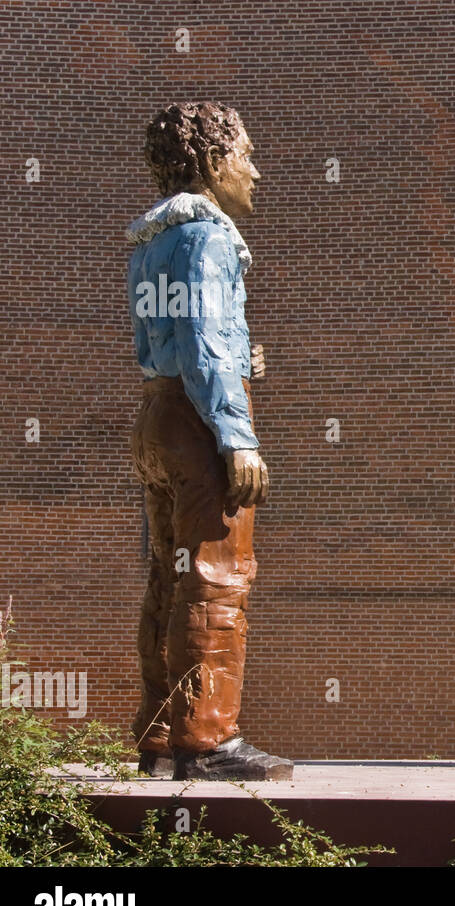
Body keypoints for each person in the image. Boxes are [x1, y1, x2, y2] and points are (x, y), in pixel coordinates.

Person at [126, 101, 292, 780]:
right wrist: (236, 436)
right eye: (247, 155)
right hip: (198, 424)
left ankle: (161, 737)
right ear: (216, 162)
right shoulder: (210, 238)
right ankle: (209, 739)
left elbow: (165, 339)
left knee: (169, 574)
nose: (256, 171)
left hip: (157, 416)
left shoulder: (150, 242)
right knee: (218, 575)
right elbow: (203, 345)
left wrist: (235, 350)